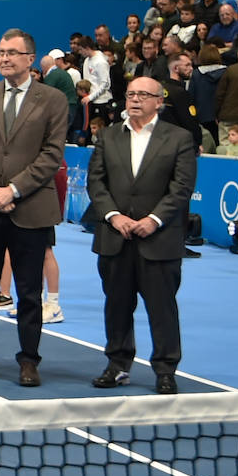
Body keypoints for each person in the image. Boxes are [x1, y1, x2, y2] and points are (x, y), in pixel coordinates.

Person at [0, 28, 68, 387]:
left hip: (30, 209)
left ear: (29, 59)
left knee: (29, 291)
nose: (4, 58)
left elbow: (52, 155)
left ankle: (29, 360)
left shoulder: (52, 99)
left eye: (11, 53)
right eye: (1, 52)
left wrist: (14, 190)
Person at [86, 77, 196, 394]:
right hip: (114, 237)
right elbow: (97, 183)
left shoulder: (179, 138)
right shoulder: (107, 137)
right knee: (117, 305)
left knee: (162, 309)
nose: (134, 99)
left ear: (159, 101)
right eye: (131, 94)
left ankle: (165, 370)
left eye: (143, 95)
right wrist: (113, 215)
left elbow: (182, 187)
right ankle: (118, 365)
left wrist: (154, 219)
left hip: (158, 241)